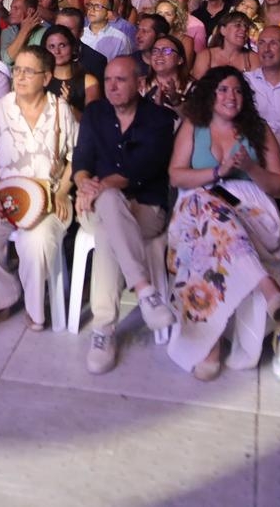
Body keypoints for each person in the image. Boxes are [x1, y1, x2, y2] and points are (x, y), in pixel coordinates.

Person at [165, 67, 280, 378]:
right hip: (199, 204)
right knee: (204, 203)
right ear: (210, 94)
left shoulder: (258, 129)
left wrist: (250, 167)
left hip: (251, 206)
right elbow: (176, 175)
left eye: (237, 91)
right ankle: (266, 284)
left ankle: (207, 347)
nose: (230, 97)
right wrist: (216, 174)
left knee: (205, 218)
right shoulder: (194, 126)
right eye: (223, 90)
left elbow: (279, 187)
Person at [73, 56, 179, 374]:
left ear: (140, 83)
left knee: (107, 227)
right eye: (108, 81)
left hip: (146, 208)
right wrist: (82, 184)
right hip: (96, 203)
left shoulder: (159, 119)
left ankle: (103, 329)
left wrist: (98, 188)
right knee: (107, 206)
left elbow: (140, 170)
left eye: (121, 80)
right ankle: (146, 293)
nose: (113, 87)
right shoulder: (95, 113)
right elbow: (81, 161)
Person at [0, 45, 77, 331]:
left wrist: (63, 191)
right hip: (6, 193)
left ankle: (35, 308)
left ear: (47, 77)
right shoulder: (1, 108)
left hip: (50, 196)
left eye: (29, 71)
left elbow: (77, 158)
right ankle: (3, 295)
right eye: (17, 70)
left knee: (34, 242)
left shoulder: (61, 111)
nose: (21, 77)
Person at [41, 25, 100, 118]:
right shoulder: (40, 79)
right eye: (51, 47)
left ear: (73, 48)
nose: (57, 51)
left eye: (62, 45)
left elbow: (92, 122)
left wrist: (68, 107)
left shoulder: (89, 81)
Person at [192, 10, 259, 79]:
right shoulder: (205, 56)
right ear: (223, 30)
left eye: (246, 27)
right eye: (238, 25)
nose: (244, 29)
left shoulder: (254, 59)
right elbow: (198, 87)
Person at [142, 33, 192, 111]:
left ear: (180, 59)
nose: (159, 55)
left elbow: (197, 121)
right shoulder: (140, 85)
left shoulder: (193, 88)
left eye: (166, 50)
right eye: (155, 51)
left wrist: (175, 101)